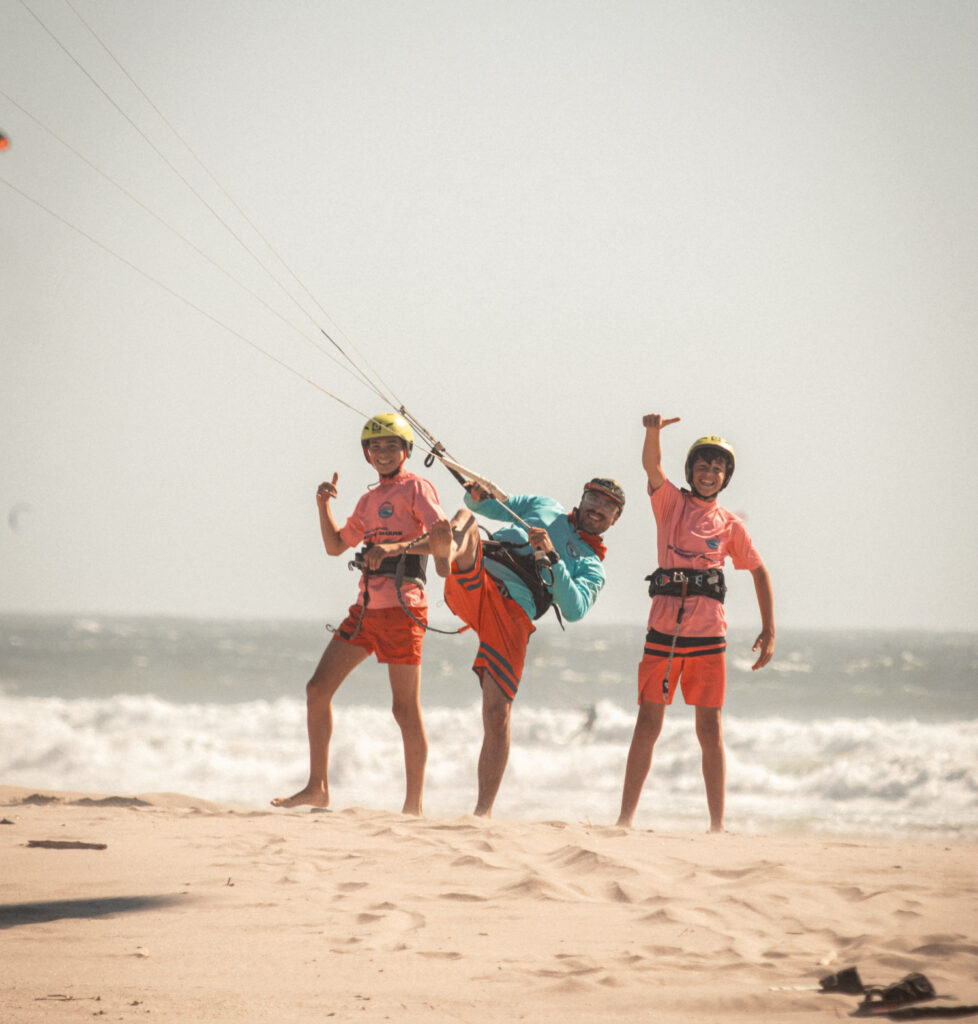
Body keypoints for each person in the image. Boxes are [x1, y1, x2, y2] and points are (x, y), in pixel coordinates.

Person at [271, 413, 446, 816]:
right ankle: (317, 788)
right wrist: (322, 505)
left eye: (391, 446)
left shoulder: (416, 487)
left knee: (404, 709)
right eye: (376, 447)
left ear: (406, 451)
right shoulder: (367, 501)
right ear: (367, 453)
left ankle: (413, 806)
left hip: (404, 609)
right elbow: (336, 545)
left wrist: (393, 549)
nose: (383, 454)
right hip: (365, 610)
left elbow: (441, 540)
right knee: (317, 690)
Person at [424, 477, 625, 817]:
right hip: (479, 580)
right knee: (466, 518)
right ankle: (447, 553)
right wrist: (476, 495)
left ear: (615, 519)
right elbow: (483, 507)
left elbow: (574, 609)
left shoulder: (591, 565)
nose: (598, 508)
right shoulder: (545, 507)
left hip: (513, 614)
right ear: (582, 497)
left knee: (497, 714)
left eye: (608, 506)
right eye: (594, 498)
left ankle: (482, 812)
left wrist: (552, 555)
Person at [616, 414, 775, 833]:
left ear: (726, 477)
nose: (709, 474)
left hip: (708, 637)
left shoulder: (730, 525)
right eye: (702, 467)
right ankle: (624, 819)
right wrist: (652, 432)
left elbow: (758, 571)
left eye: (717, 468)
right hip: (664, 632)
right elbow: (652, 467)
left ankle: (717, 825)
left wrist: (769, 629)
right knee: (648, 722)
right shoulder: (671, 504)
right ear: (691, 472)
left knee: (710, 728)